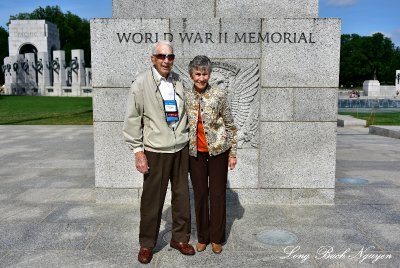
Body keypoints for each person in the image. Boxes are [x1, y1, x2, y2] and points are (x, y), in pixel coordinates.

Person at [123, 41, 195, 264]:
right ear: (152, 58)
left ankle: (180, 238)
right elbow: (132, 119)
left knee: (182, 197)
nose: (166, 60)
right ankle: (147, 244)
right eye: (162, 56)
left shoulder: (178, 81)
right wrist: (138, 151)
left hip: (180, 148)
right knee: (152, 200)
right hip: (155, 150)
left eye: (170, 56)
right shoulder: (141, 83)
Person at [185, 55, 237, 254]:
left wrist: (233, 153)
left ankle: (216, 237)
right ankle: (203, 237)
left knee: (217, 194)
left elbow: (231, 125)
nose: (201, 78)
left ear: (210, 74)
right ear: (191, 75)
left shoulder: (219, 94)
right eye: (197, 74)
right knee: (199, 194)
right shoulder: (185, 96)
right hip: (195, 153)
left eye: (204, 73)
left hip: (218, 151)